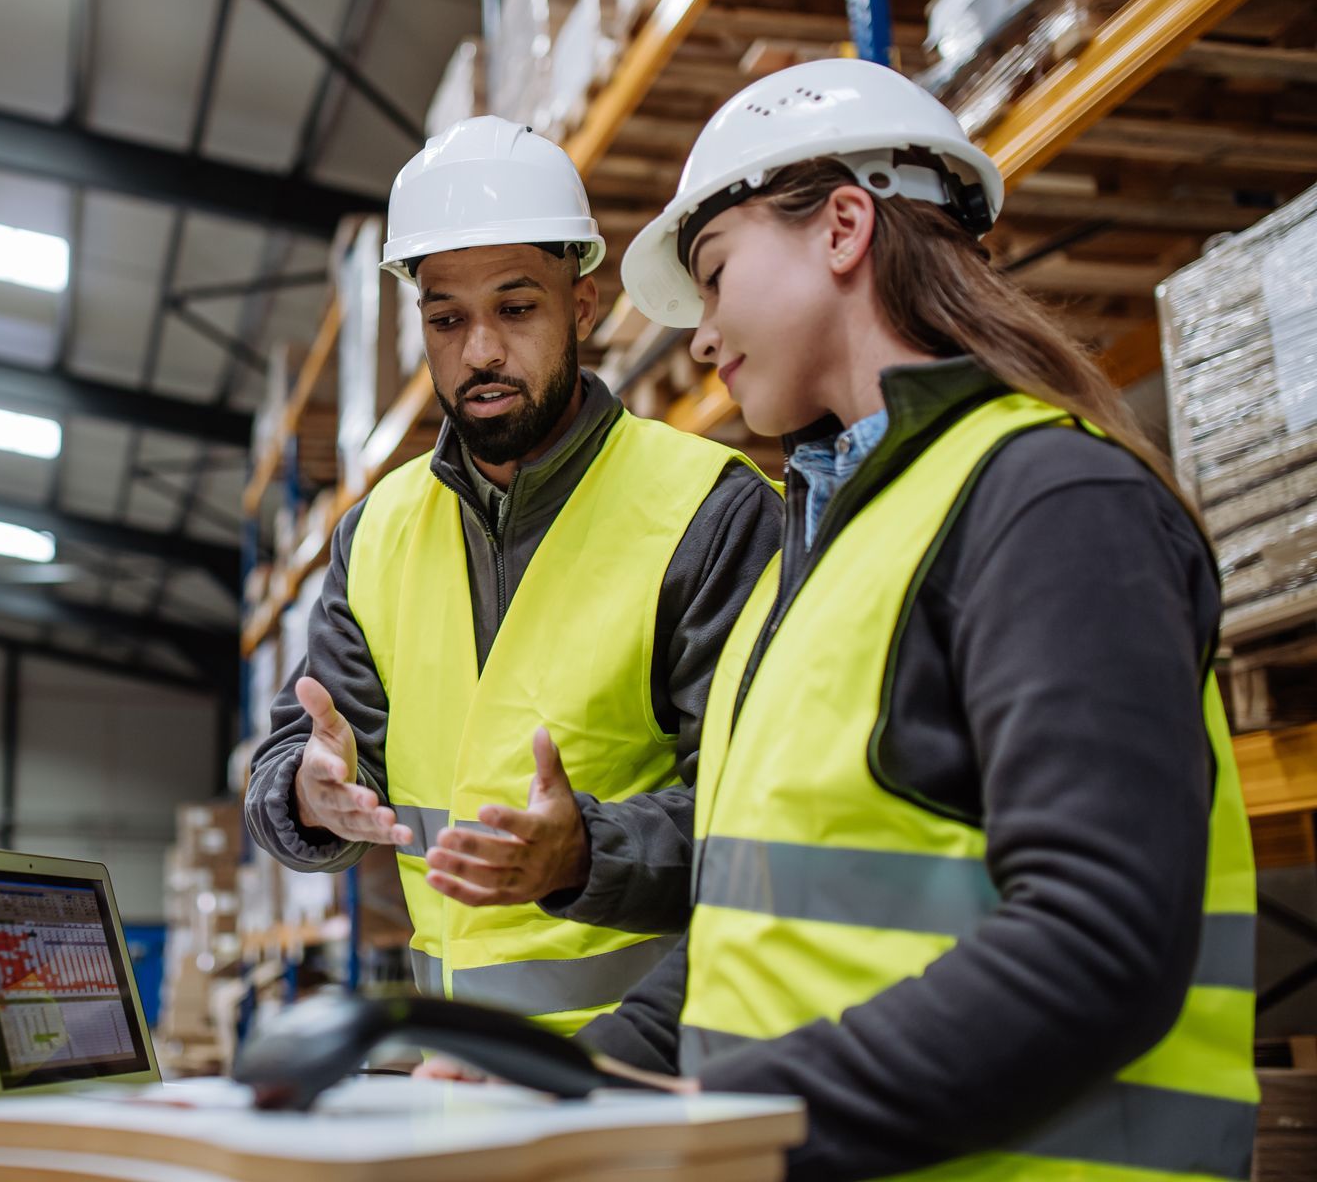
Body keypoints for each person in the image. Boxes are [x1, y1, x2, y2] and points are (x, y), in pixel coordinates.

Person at [550, 57, 1254, 1179]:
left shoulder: (1051, 506)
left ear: (841, 228)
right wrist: (562, 1093)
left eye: (717, 273)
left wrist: (729, 1119)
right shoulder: (820, 554)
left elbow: (1096, 942)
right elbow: (750, 926)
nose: (701, 335)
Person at [243, 115, 782, 1035]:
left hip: (659, 1079)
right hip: (460, 1079)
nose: (481, 352)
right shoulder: (375, 533)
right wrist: (306, 791)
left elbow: (766, 819)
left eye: (517, 308)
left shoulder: (711, 510)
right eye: (447, 320)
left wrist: (588, 853)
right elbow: (292, 759)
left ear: (582, 305)